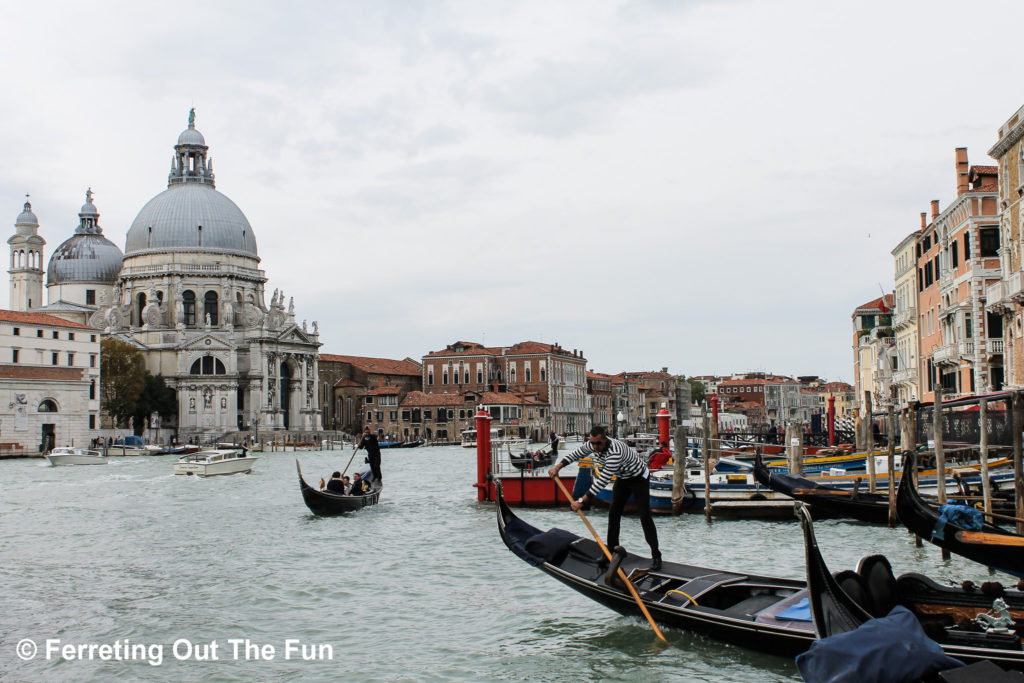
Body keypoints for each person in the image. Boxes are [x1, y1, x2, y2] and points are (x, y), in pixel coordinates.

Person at [550, 425, 661, 570]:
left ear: (604, 439)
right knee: (613, 514)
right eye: (593, 443)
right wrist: (557, 467)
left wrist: (581, 501)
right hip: (623, 478)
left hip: (639, 478)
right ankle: (611, 554)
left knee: (645, 517)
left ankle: (656, 556)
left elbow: (602, 481)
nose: (595, 447)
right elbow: (575, 455)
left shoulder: (615, 452)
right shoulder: (592, 444)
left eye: (598, 444)